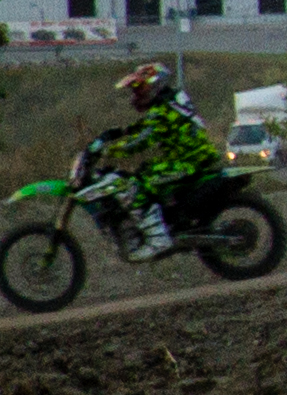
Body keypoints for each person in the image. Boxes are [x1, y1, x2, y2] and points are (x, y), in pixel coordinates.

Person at [85, 64, 222, 259]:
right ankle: (165, 221)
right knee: (144, 171)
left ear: (154, 86)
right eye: (135, 90)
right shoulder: (166, 103)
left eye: (140, 89)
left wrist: (107, 150)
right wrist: (117, 133)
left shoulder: (162, 110)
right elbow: (143, 127)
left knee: (142, 182)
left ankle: (158, 239)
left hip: (192, 161)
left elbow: (141, 141)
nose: (136, 95)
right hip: (189, 157)